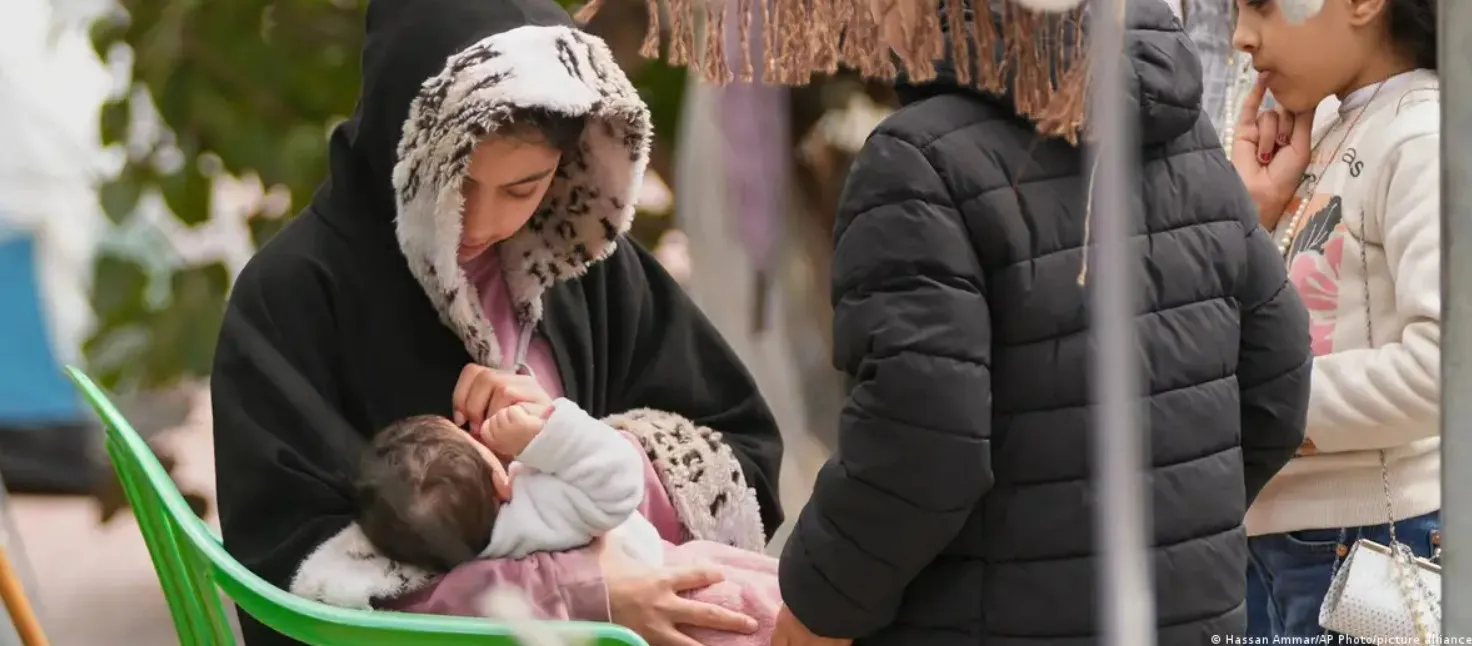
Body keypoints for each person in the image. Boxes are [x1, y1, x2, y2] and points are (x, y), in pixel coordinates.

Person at [209, 0, 784, 644]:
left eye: (522, 188)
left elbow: (739, 449)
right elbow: (296, 579)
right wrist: (580, 598)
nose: (481, 226)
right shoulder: (294, 298)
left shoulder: (581, 259)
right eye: (456, 185)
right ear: (408, 150)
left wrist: (570, 445)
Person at [762, 1, 1313, 644]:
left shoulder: (916, 161)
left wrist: (813, 613)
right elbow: (1277, 379)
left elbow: (917, 446)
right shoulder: (1187, 138)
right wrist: (1179, 523)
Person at [1229, 0, 1440, 638]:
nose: (1241, 35)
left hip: (1374, 544)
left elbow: (1445, 368)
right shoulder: (1321, 126)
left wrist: (1267, 403)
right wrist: (1253, 215)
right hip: (1278, 539)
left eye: (1261, 5)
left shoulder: (1422, 136)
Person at [355, 402, 786, 645]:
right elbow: (618, 480)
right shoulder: (535, 506)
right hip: (690, 595)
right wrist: (545, 436)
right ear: (498, 484)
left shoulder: (462, 573)